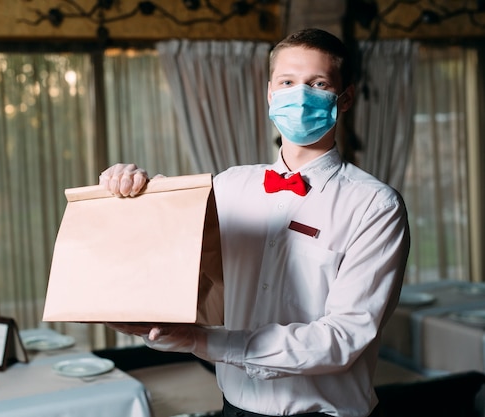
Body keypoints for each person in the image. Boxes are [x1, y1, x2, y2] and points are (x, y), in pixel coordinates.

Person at [99, 28, 410, 417]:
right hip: (232, 408)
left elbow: (342, 339)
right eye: (287, 82)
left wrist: (205, 343)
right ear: (269, 94)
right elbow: (173, 248)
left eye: (318, 83)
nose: (300, 94)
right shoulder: (229, 186)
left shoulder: (376, 205)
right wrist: (129, 188)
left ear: (344, 98)